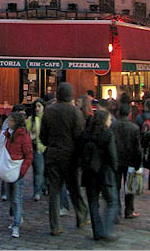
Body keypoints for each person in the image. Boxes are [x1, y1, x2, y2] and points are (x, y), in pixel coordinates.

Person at [40, 82, 89, 236]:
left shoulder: (48, 111)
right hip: (70, 156)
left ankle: (55, 225)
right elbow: (79, 136)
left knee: (54, 191)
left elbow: (43, 136)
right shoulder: (75, 112)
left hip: (53, 154)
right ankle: (81, 216)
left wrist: (51, 145)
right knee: (74, 189)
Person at [79, 109, 119, 242]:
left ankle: (97, 231)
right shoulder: (108, 134)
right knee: (112, 201)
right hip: (104, 171)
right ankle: (106, 230)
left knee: (93, 202)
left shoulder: (86, 134)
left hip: (89, 171)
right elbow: (112, 155)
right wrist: (115, 169)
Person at [4, 111, 33, 239]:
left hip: (17, 169)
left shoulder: (23, 136)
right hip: (9, 169)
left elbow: (28, 155)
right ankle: (17, 218)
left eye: (10, 120)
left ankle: (16, 224)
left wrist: (22, 171)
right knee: (10, 196)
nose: (7, 122)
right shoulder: (8, 134)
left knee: (16, 197)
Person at [112, 102, 142, 219]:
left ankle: (116, 209)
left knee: (116, 186)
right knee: (130, 187)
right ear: (129, 114)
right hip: (130, 160)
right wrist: (138, 163)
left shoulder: (113, 126)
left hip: (116, 160)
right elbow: (137, 148)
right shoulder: (134, 128)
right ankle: (129, 210)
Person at [26, 98, 46, 200]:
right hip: (36, 147)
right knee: (38, 170)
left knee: (44, 170)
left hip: (47, 147)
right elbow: (26, 133)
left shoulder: (47, 119)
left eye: (39, 106)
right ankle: (37, 191)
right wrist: (31, 136)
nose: (37, 109)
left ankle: (44, 187)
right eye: (36, 107)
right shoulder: (31, 120)